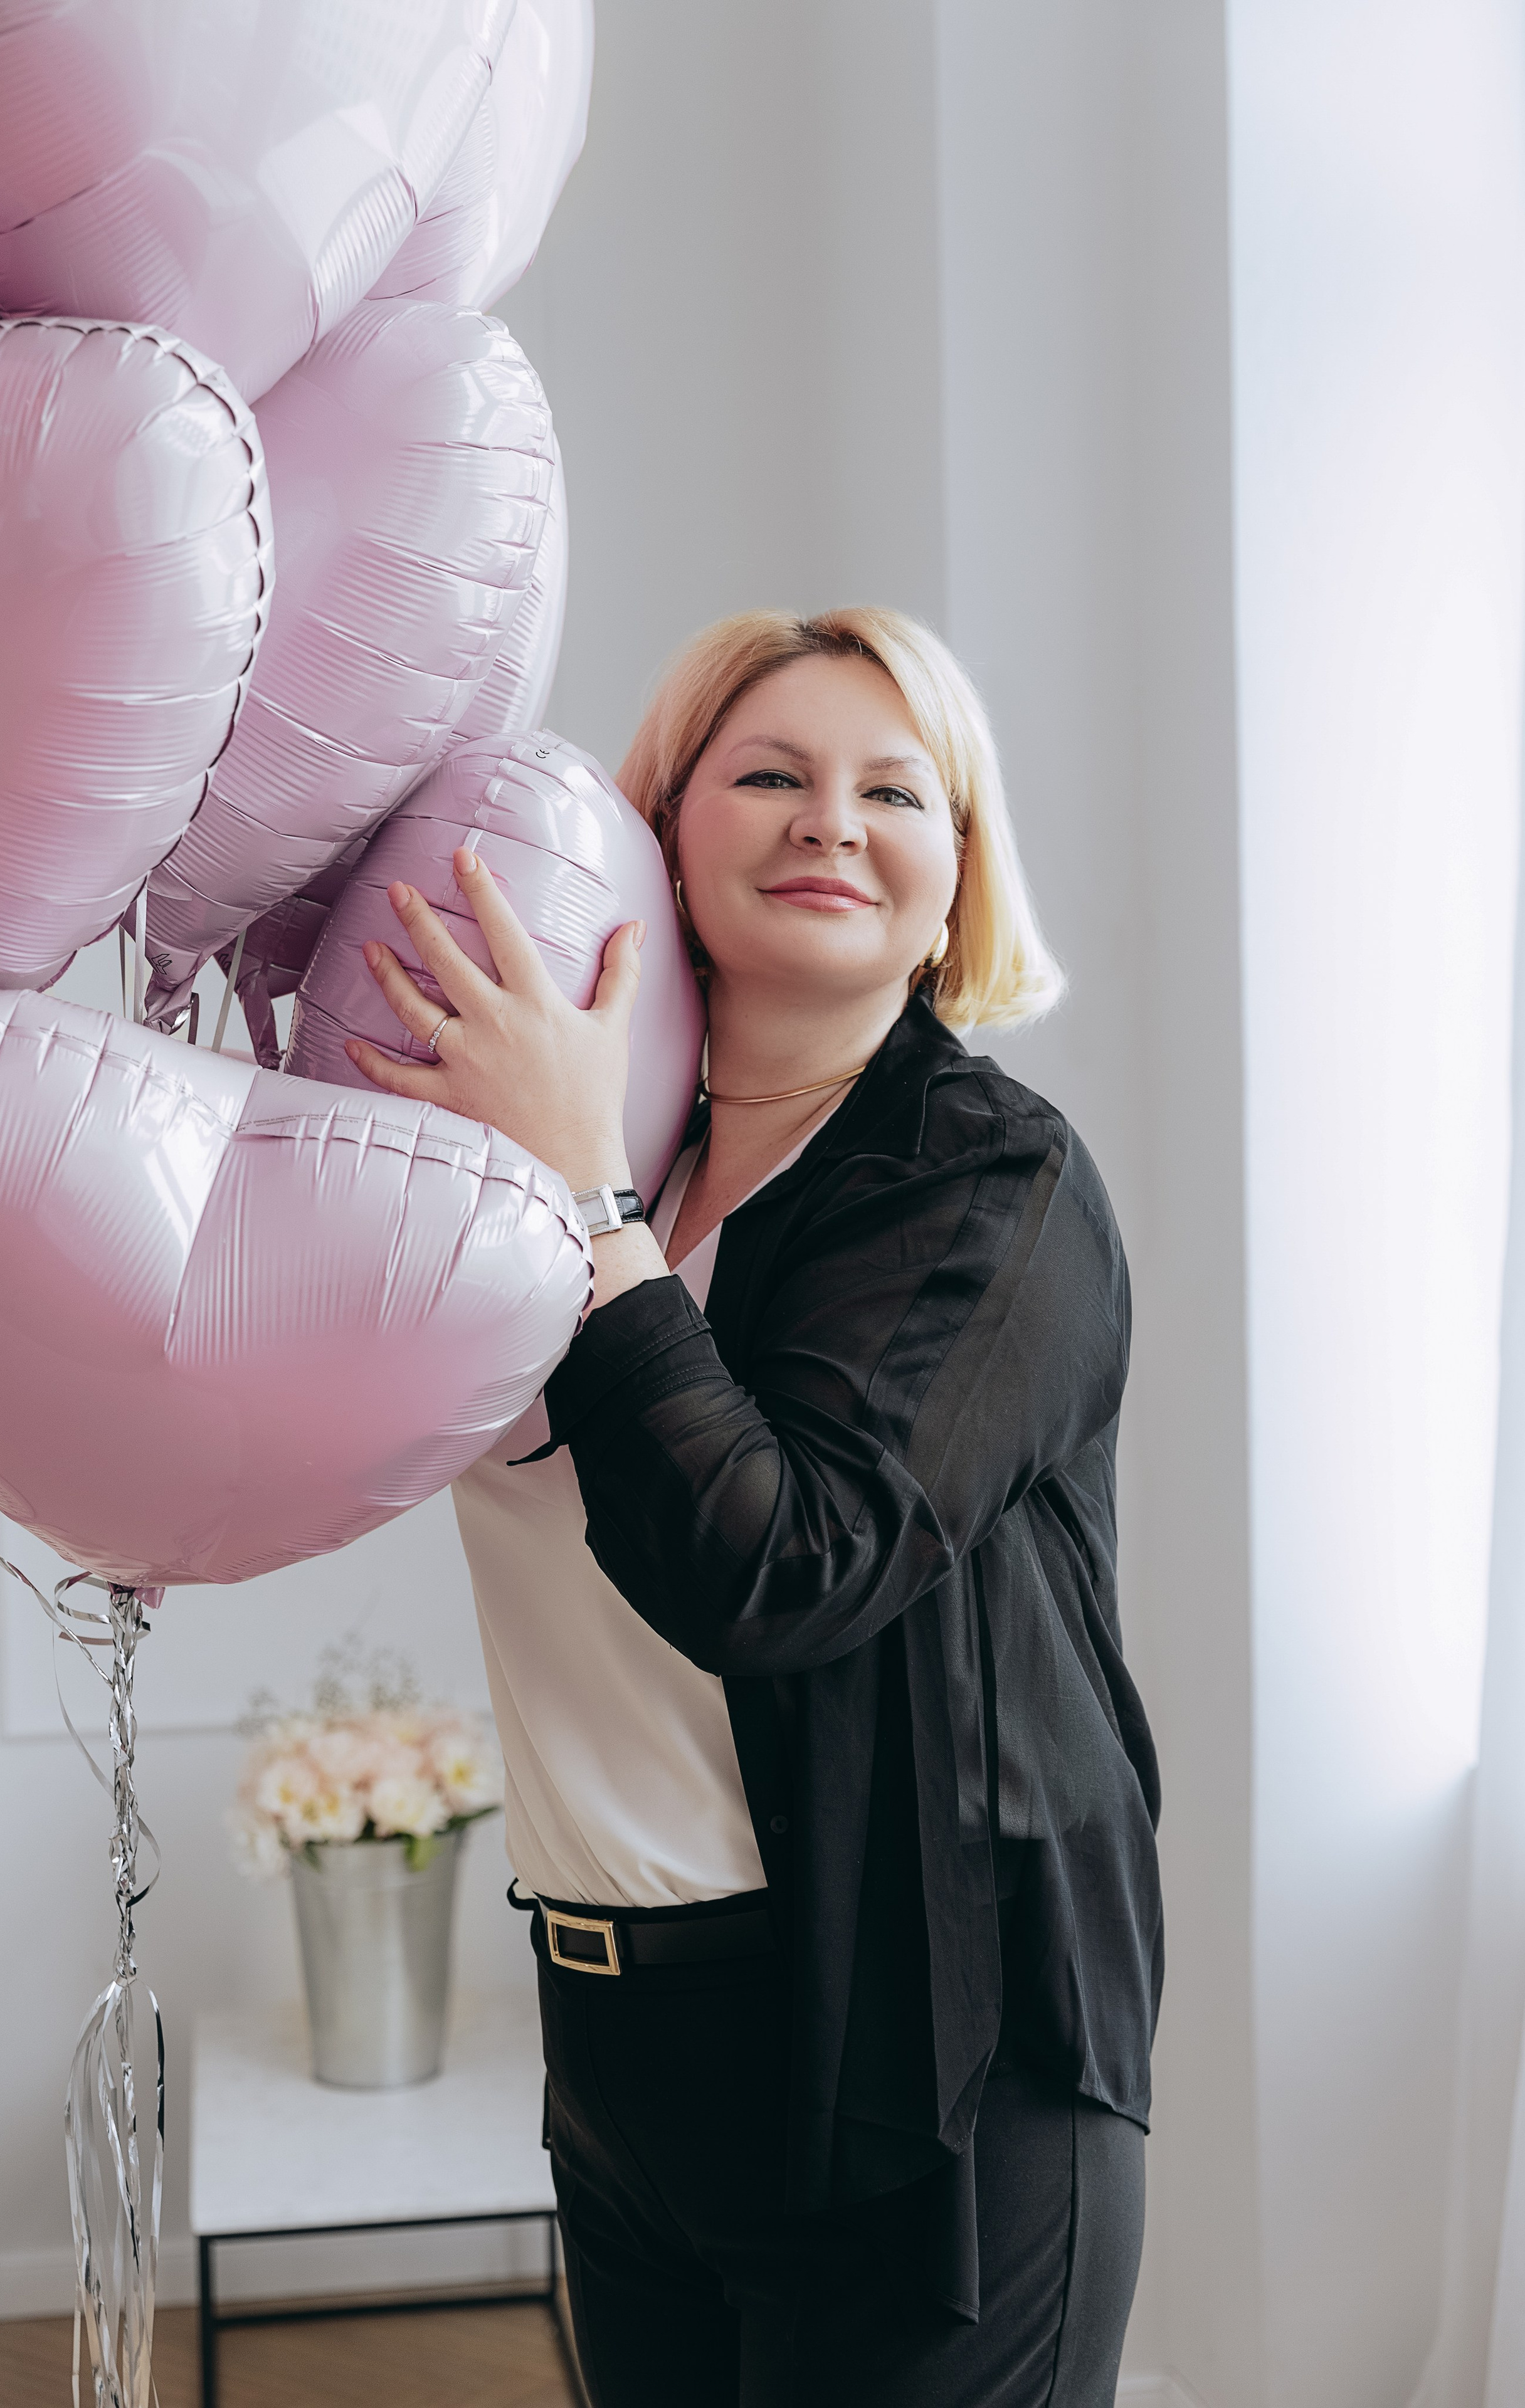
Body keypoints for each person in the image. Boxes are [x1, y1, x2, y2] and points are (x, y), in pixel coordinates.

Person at [345, 607, 1163, 2408]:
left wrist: (580, 1189)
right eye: (771, 774)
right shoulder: (590, 1151)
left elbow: (780, 1564)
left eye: (897, 789)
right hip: (622, 2042)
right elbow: (327, 1396)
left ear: (957, 880)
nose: (829, 821)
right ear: (667, 829)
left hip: (928, 2065)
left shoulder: (988, 1180)